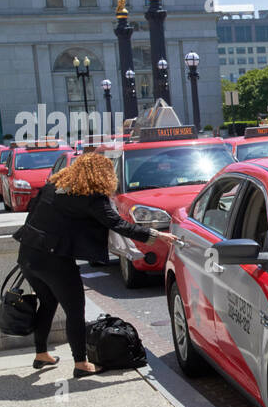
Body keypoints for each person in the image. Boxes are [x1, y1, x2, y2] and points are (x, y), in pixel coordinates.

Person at [12, 152, 175, 377]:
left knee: (48, 303)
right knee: (75, 310)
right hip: (55, 259)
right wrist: (155, 234)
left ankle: (41, 353)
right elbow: (117, 223)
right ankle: (80, 363)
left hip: (28, 253)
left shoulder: (54, 186)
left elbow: (34, 214)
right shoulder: (90, 197)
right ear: (101, 175)